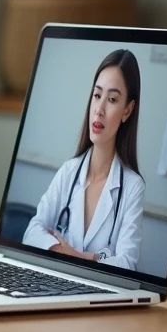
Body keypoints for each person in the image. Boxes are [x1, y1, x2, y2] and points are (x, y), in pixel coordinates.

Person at [21, 49, 146, 271]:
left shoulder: (132, 187)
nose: (99, 110)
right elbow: (32, 231)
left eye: (112, 99)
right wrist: (64, 252)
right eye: (97, 96)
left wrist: (77, 257)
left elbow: (127, 264)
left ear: (127, 110)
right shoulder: (69, 171)